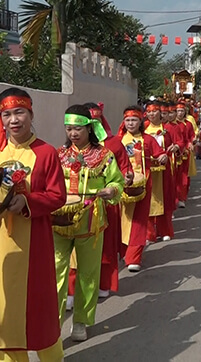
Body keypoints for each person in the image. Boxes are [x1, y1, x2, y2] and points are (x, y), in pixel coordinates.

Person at [0, 87, 67, 361]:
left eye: (19, 112)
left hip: (33, 243)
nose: (14, 120)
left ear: (30, 113)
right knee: (0, 309)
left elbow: (57, 195)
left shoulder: (46, 153)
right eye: (7, 114)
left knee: (37, 309)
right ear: (0, 119)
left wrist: (27, 203)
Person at [52, 105, 124, 342]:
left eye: (78, 128)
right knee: (56, 271)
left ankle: (81, 321)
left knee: (88, 274)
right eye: (69, 128)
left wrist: (110, 189)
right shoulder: (58, 155)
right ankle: (53, 321)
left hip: (90, 221)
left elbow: (117, 181)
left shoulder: (104, 156)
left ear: (89, 128)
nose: (73, 133)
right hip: (60, 220)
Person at [86, 102, 133, 298]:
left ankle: (104, 283)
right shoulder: (70, 149)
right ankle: (73, 289)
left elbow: (125, 167)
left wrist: (128, 175)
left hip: (107, 205)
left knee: (105, 246)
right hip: (81, 205)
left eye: (96, 121)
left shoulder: (113, 144)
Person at [110, 106, 166, 272]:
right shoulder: (118, 140)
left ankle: (134, 257)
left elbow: (160, 154)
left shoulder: (148, 139)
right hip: (121, 185)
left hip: (143, 185)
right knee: (121, 219)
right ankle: (121, 251)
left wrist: (162, 157)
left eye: (134, 120)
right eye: (127, 120)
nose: (130, 123)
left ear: (140, 121)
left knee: (138, 221)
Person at [144, 101, 177, 241]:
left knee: (164, 198)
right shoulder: (143, 129)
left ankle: (165, 230)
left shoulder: (168, 128)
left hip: (164, 169)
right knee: (149, 200)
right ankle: (150, 233)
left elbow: (177, 142)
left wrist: (175, 147)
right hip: (147, 169)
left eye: (155, 111)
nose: (152, 114)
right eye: (149, 111)